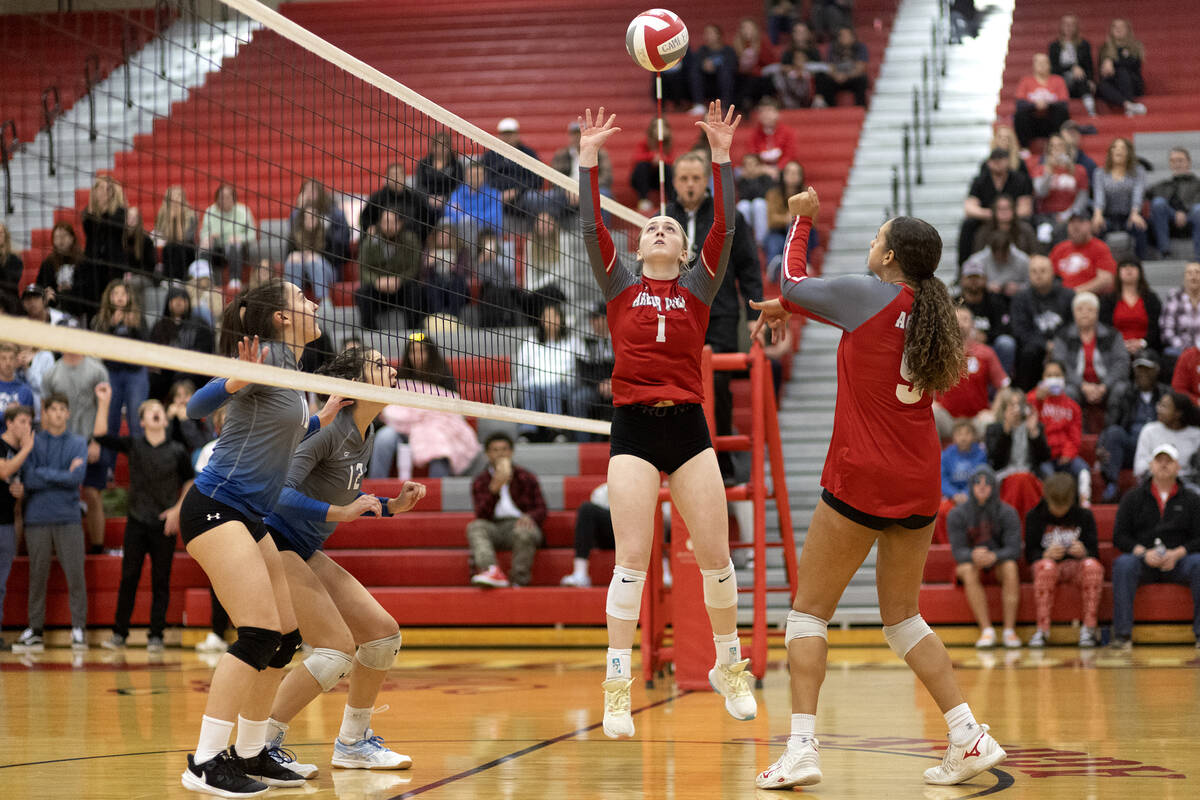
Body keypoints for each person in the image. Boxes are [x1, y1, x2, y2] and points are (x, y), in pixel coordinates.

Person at [750, 192, 1005, 788]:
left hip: (863, 474)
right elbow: (844, 320)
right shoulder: (928, 310)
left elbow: (791, 281)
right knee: (903, 620)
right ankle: (968, 735)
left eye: (874, 240)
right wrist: (799, 309)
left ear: (889, 255)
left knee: (808, 614)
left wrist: (802, 215)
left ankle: (802, 749)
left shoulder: (867, 294)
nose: (868, 247)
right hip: (918, 478)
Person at [579, 103, 761, 738]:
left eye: (668, 228)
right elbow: (589, 225)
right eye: (650, 226)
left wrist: (720, 155)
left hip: (687, 427)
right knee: (632, 556)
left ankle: (728, 665)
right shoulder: (619, 285)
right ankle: (617, 686)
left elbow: (727, 229)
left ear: (683, 249)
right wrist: (587, 161)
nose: (658, 228)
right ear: (638, 245)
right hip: (632, 426)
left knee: (715, 555)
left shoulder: (699, 288)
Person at [177, 279, 348, 797]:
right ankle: (205, 761)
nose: (314, 304)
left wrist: (325, 415)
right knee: (256, 633)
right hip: (216, 508)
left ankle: (250, 752)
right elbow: (194, 408)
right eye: (302, 300)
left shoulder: (294, 371)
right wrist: (233, 380)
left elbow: (284, 431)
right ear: (281, 318)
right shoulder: (264, 360)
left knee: (284, 639)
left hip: (250, 516)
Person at [260, 346, 426, 777]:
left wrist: (391, 507)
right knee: (335, 652)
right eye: (377, 365)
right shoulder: (329, 429)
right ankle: (261, 744)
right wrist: (340, 514)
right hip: (272, 541)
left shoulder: (365, 432)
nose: (390, 368)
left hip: (303, 547)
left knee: (381, 636)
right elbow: (280, 492)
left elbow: (342, 492)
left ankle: (353, 743)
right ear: (353, 386)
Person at [665, 149, 762, 482]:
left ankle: (722, 462)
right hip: (677, 314)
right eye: (683, 179)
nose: (690, 185)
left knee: (717, 382)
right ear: (674, 182)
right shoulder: (664, 218)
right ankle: (683, 459)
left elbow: (749, 264)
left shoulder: (727, 215)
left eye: (695, 178)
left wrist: (754, 311)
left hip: (719, 312)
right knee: (679, 385)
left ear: (706, 180)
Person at [94, 386, 193, 652]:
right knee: (129, 578)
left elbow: (191, 480)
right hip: (137, 521)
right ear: (142, 422)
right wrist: (104, 402)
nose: (156, 413)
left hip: (164, 524)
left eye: (159, 410)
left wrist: (177, 510)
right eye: (150, 411)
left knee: (161, 580)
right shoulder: (134, 444)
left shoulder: (177, 450)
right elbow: (100, 435)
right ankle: (119, 634)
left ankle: (157, 636)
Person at [11, 394, 89, 654]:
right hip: (37, 518)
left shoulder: (78, 442)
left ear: (68, 413)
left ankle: (78, 628)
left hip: (68, 517)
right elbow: (29, 478)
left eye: (62, 409)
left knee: (76, 575)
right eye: (52, 409)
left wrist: (56, 476)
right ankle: (35, 629)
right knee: (37, 576)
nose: (57, 413)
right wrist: (63, 475)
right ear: (44, 413)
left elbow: (76, 478)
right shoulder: (32, 442)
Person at [1110, 443, 1200, 650]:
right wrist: (1142, 552)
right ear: (1150, 465)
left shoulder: (1192, 500)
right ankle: (1123, 635)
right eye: (1159, 460)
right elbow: (1119, 536)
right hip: (1144, 560)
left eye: (1169, 461)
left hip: (1179, 561)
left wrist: (1178, 553)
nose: (1164, 465)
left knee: (1199, 563)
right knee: (1124, 564)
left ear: (1178, 467)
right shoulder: (1132, 498)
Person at [373, 336, 480, 480]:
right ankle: (376, 487)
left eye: (421, 351)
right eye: (413, 351)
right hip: (402, 425)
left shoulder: (443, 376)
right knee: (383, 438)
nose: (417, 356)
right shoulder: (400, 374)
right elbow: (392, 405)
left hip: (434, 426)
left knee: (440, 446)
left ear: (430, 353)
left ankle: (434, 488)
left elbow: (452, 407)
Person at [1023, 472, 1103, 648]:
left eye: (1063, 506)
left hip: (1077, 567)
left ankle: (1089, 628)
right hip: (1048, 568)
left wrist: (1084, 552)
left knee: (1093, 567)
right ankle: (1042, 629)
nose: (1059, 510)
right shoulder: (1034, 516)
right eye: (1055, 505)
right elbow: (1029, 554)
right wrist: (1045, 554)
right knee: (1046, 567)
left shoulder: (1084, 516)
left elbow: (1095, 553)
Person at [948, 467, 1024, 649]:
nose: (982, 487)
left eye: (987, 484)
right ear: (970, 486)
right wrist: (973, 555)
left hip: (998, 563)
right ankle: (986, 630)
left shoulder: (1008, 512)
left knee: (1010, 566)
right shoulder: (957, 514)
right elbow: (958, 552)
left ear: (994, 487)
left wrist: (994, 556)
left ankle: (1009, 630)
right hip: (971, 564)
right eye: (977, 483)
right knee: (967, 569)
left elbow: (1014, 549)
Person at [41, 350, 108, 553]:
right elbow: (46, 409)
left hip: (89, 438)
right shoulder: (51, 372)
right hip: (62, 440)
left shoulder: (97, 369)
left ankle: (97, 546)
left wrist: (97, 441)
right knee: (58, 491)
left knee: (92, 493)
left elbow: (104, 406)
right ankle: (55, 545)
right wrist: (48, 442)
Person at [467, 432, 547, 589]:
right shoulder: (481, 480)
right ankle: (490, 570)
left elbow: (541, 509)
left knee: (524, 531)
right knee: (475, 527)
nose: (500, 453)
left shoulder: (526, 476)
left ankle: (519, 581)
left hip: (520, 524)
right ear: (487, 454)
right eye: (495, 450)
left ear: (511, 452)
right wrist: (494, 490)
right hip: (495, 526)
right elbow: (481, 514)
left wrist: (529, 517)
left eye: (504, 449)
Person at [1097, 351, 1172, 502]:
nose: (1142, 373)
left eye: (1147, 369)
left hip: (1158, 448)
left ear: (1157, 370)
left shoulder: (1166, 394)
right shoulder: (1122, 392)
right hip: (1131, 447)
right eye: (1139, 369)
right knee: (1114, 433)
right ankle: (1112, 485)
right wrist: (1100, 446)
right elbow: (1109, 425)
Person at [1052, 291, 1131, 428]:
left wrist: (1104, 386)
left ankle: (1111, 430)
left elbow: (1122, 363)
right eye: (1080, 309)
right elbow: (1060, 365)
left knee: (1121, 389)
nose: (1084, 313)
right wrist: (1083, 385)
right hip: (1078, 386)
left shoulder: (1112, 335)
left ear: (1097, 312)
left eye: (1090, 309)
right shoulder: (1063, 336)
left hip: (1106, 386)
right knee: (1067, 391)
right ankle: (1077, 432)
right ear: (1073, 312)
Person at [932, 306, 1009, 439]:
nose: (960, 323)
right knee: (930, 412)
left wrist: (993, 411)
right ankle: (934, 459)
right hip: (947, 419)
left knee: (990, 421)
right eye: (956, 319)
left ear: (972, 325)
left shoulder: (986, 353)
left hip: (976, 421)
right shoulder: (938, 352)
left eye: (965, 319)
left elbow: (1004, 387)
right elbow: (925, 382)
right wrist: (932, 402)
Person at [92, 280, 150, 441]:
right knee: (110, 422)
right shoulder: (101, 319)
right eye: (115, 294)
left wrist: (133, 328)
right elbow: (98, 348)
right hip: (110, 374)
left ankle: (138, 463)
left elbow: (147, 345)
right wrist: (112, 326)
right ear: (109, 297)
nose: (119, 297)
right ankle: (107, 465)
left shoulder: (138, 318)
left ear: (129, 296)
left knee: (136, 421)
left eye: (123, 294)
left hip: (135, 373)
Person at [513, 303, 580, 443]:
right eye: (546, 316)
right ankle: (527, 432)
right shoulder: (530, 343)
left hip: (563, 386)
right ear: (541, 321)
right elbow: (521, 372)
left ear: (560, 319)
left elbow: (576, 371)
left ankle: (555, 430)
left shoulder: (572, 342)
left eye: (554, 316)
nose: (550, 320)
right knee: (532, 388)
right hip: (534, 386)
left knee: (552, 387)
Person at [1027, 360, 1092, 504]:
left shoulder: (1073, 407)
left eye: (1057, 375)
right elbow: (1027, 415)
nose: (1053, 378)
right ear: (1043, 379)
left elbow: (1075, 435)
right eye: (1049, 375)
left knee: (1084, 471)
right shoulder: (1036, 399)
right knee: (1050, 477)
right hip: (1044, 457)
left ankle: (1084, 502)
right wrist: (1037, 398)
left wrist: (1068, 453)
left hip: (1066, 456)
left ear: (1063, 378)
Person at [959, 149, 1033, 267]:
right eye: (994, 160)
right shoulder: (980, 181)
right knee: (968, 225)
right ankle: (964, 269)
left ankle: (1033, 263)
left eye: (1001, 160)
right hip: (988, 219)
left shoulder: (1020, 179)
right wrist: (994, 214)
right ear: (988, 163)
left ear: (1008, 161)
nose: (998, 164)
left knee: (1029, 223)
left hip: (1014, 219)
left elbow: (1026, 208)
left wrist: (1008, 214)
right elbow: (969, 208)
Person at [0, 404, 34, 652]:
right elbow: (4, 470)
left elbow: (14, 484)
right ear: (9, 423)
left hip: (7, 522)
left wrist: (20, 493)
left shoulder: (20, 451)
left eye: (29, 422)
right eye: (21, 421)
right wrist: (28, 449)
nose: (26, 426)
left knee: (1, 583)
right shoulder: (4, 446)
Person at [354, 208, 423, 331]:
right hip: (378, 290)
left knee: (416, 291)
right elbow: (363, 268)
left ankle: (415, 331)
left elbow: (415, 268)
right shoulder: (370, 240)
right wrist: (377, 281)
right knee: (362, 293)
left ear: (401, 223)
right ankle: (369, 333)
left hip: (401, 289)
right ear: (380, 222)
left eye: (392, 222)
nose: (389, 226)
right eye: (385, 222)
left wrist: (399, 280)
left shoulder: (411, 240)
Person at [149, 287, 216, 400]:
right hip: (167, 372)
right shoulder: (159, 327)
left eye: (182, 299)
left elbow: (205, 352)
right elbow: (154, 354)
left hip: (194, 371)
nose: (178, 302)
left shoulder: (200, 324)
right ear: (168, 303)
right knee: (154, 378)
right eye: (175, 299)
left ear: (188, 302)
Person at [956, 257, 1018, 371]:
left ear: (985, 279)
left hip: (992, 346)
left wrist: (986, 336)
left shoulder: (996, 301)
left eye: (977, 277)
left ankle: (1000, 384)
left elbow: (1006, 328)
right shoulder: (954, 303)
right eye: (970, 277)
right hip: (962, 347)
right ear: (962, 280)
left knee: (1006, 343)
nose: (974, 281)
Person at [80, 175, 128, 321]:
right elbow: (90, 231)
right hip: (93, 265)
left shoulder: (119, 212)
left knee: (111, 300)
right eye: (100, 188)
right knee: (92, 301)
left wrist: (104, 208)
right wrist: (95, 208)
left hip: (113, 266)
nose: (103, 191)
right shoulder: (88, 214)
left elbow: (113, 229)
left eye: (107, 188)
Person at [1091, 137, 1148, 259]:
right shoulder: (1099, 173)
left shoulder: (1139, 171)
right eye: (1115, 147)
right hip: (1108, 215)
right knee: (1097, 226)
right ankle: (1098, 262)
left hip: (1130, 214)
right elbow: (1099, 196)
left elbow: (1138, 194)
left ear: (1129, 153)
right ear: (1110, 152)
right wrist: (1097, 215)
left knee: (1139, 226)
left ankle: (1141, 262)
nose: (1119, 150)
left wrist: (1135, 213)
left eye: (1123, 148)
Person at [1031, 133, 1091, 247]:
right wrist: (1048, 172)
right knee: (1046, 233)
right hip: (1046, 215)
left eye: (1060, 146)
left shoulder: (1079, 170)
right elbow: (1040, 193)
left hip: (1071, 215)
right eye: (1053, 147)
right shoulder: (1040, 170)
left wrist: (1067, 214)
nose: (1056, 150)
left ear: (1067, 149)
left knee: (1064, 230)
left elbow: (1082, 198)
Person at [1131, 391, 1200, 484]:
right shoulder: (1149, 430)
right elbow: (1139, 468)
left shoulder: (1196, 435)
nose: (1158, 409)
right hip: (1153, 482)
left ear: (1178, 413)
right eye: (1159, 405)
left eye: (1164, 406)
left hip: (1185, 485)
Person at [359, 162, 435, 244]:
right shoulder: (377, 197)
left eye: (399, 175)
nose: (396, 178)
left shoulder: (415, 198)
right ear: (387, 178)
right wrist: (370, 227)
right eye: (392, 175)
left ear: (405, 177)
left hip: (408, 240)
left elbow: (425, 221)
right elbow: (365, 219)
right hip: (382, 236)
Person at [765, 161, 817, 277]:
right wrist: (790, 218)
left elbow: (813, 220)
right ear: (783, 175)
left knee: (809, 232)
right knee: (773, 238)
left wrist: (794, 219)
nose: (792, 176)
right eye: (789, 172)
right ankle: (774, 265)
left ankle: (803, 264)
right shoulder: (773, 194)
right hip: (779, 231)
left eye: (796, 173)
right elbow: (772, 220)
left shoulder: (807, 194)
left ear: (801, 176)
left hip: (800, 230)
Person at [1099, 258, 1162, 355]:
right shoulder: (1108, 300)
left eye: (1132, 266)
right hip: (1115, 348)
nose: (1128, 269)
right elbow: (1105, 327)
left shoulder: (1151, 299)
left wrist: (1142, 343)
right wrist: (1121, 345)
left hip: (1147, 348)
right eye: (1124, 267)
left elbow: (1156, 327)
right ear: (1118, 272)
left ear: (1140, 272)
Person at [482, 118, 542, 218]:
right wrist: (496, 194)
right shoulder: (490, 156)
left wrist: (517, 191)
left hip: (523, 196)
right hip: (495, 196)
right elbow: (484, 178)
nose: (507, 137)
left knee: (535, 199)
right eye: (504, 134)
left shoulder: (528, 154)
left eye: (510, 134)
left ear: (517, 135)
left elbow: (537, 178)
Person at [985, 388, 1051, 478]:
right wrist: (1006, 431)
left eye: (1019, 404)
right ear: (1005, 408)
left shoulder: (1035, 426)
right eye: (1012, 405)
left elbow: (1044, 457)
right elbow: (995, 459)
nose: (1016, 409)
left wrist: (1033, 432)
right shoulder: (993, 429)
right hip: (1005, 473)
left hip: (1029, 473)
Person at [200, 183, 257, 286]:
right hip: (217, 249)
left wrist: (240, 238)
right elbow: (203, 233)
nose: (224, 200)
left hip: (238, 249)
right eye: (221, 197)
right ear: (217, 199)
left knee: (234, 246)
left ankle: (235, 280)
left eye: (227, 197)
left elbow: (252, 234)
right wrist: (208, 237)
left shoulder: (244, 211)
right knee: (204, 248)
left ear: (234, 198)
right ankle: (205, 280)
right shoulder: (210, 211)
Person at [1148, 149, 1200, 261]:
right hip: (1168, 221)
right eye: (1173, 161)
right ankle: (1165, 252)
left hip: (1193, 218)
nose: (1177, 164)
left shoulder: (1198, 183)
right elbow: (1142, 193)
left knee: (1198, 210)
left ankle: (1198, 257)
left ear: (1188, 163)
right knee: (1158, 203)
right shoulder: (1163, 185)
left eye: (1180, 160)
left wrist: (1184, 213)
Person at [571, 301, 616, 429]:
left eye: (598, 317)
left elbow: (627, 366)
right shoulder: (585, 342)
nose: (595, 322)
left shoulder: (619, 339)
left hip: (619, 385)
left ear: (607, 318)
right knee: (578, 399)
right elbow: (584, 371)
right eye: (592, 318)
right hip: (594, 386)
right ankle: (582, 441)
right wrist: (599, 384)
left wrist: (614, 383)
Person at [1049, 212, 1116, 294]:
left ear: (1090, 225)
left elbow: (1106, 279)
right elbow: (1048, 274)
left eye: (1081, 221)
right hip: (1062, 297)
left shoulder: (1100, 248)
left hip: (1089, 296)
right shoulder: (1060, 248)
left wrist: (1076, 292)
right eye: (1072, 222)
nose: (1075, 226)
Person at [1013, 54, 1071, 148]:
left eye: (1044, 62)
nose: (1042, 65)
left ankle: (1058, 145)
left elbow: (1064, 104)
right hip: (1032, 123)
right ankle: (1024, 148)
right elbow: (1019, 103)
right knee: (1020, 114)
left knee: (1061, 112)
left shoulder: (1058, 80)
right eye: (1039, 62)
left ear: (1049, 65)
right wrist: (1035, 105)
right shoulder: (1025, 81)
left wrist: (1047, 104)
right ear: (1033, 65)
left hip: (1051, 123)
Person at [288, 179, 349, 266]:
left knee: (314, 264)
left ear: (320, 193)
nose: (308, 194)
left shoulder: (334, 213)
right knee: (292, 263)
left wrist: (322, 225)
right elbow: (292, 238)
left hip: (329, 261)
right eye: (305, 191)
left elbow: (341, 243)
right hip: (303, 260)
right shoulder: (298, 214)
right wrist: (299, 210)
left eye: (312, 191)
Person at [1048, 14, 1097, 117]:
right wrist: (1072, 67)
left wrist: (1091, 80)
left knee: (1080, 76)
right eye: (1066, 24)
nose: (1069, 27)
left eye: (1071, 24)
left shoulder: (1084, 44)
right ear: (1061, 26)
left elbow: (1089, 65)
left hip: (1079, 81)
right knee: (1071, 76)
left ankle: (1090, 109)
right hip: (1061, 81)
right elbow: (1053, 69)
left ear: (1076, 27)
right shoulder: (1054, 46)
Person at [36, 222, 87, 320]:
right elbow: (40, 286)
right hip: (54, 308)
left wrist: (70, 291)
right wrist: (47, 293)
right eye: (57, 237)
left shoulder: (83, 261)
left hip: (78, 308)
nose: (60, 240)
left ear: (72, 238)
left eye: (64, 236)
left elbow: (87, 287)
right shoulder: (48, 263)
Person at [1096, 18, 1146, 117]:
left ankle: (1129, 101)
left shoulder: (1135, 46)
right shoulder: (1105, 48)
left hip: (1132, 83)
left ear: (1128, 30)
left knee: (1122, 71)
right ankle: (1128, 105)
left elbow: (1134, 65)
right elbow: (1103, 72)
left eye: (1121, 27)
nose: (1118, 29)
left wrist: (1111, 61)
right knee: (1101, 86)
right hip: (1114, 84)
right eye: (1115, 27)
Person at [961, 231, 1030, 302]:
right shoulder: (977, 260)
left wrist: (1019, 287)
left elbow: (1031, 283)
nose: (1000, 258)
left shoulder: (1023, 260)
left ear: (1008, 250)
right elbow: (966, 280)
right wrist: (986, 285)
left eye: (1003, 255)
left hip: (1016, 297)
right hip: (989, 298)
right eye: (997, 255)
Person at [442, 161, 504, 238]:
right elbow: (449, 211)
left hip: (486, 233)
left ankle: (469, 250)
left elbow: (493, 216)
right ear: (466, 176)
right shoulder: (458, 192)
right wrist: (465, 217)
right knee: (444, 222)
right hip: (460, 228)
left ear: (485, 176)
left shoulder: (493, 194)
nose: (475, 178)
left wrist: (468, 215)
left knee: (468, 221)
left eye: (479, 175)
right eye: (472, 175)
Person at [813, 26, 869, 108]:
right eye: (841, 36)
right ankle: (830, 108)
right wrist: (836, 75)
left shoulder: (860, 47)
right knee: (822, 77)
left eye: (846, 36)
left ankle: (861, 108)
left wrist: (846, 76)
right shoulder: (833, 48)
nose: (843, 38)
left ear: (853, 37)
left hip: (852, 78)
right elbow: (830, 66)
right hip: (836, 77)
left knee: (862, 79)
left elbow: (860, 67)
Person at [416, 131, 465, 220]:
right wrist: (428, 198)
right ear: (433, 147)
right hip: (426, 203)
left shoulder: (456, 165)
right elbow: (419, 186)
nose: (441, 148)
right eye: (438, 145)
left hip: (448, 201)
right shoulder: (423, 164)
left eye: (444, 145)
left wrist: (445, 198)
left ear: (449, 147)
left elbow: (459, 186)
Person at [688, 25, 738, 112]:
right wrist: (703, 66)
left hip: (724, 83)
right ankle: (698, 104)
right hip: (707, 83)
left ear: (718, 35)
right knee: (695, 71)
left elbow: (733, 65)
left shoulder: (728, 50)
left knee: (725, 72)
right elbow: (696, 63)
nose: (708, 36)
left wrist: (715, 66)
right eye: (706, 33)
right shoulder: (702, 50)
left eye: (711, 33)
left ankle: (725, 105)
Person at [971, 194, 1037, 260]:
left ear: (1013, 210)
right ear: (994, 211)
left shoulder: (1025, 229)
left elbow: (1035, 254)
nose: (1004, 212)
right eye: (1000, 209)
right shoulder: (984, 232)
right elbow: (977, 257)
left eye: (1007, 208)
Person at [154, 186, 198, 283]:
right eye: (172, 197)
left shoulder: (192, 215)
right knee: (168, 248)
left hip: (187, 249)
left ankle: (178, 280)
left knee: (178, 248)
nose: (175, 200)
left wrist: (177, 218)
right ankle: (168, 280)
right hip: (168, 249)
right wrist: (170, 219)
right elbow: (162, 236)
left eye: (178, 196)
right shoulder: (162, 214)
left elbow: (184, 238)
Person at [630, 118, 675, 214]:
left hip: (660, 178)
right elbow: (637, 158)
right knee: (642, 166)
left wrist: (662, 158)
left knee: (667, 168)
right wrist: (652, 157)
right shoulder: (644, 142)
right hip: (644, 178)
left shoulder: (668, 143)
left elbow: (673, 161)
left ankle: (672, 201)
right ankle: (644, 199)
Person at [747, 98, 798, 181]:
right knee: (741, 172)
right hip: (761, 170)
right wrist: (764, 169)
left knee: (792, 169)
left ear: (777, 113)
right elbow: (752, 155)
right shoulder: (754, 135)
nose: (766, 114)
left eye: (769, 111)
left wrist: (777, 169)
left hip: (782, 169)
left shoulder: (787, 132)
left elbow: (790, 155)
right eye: (762, 111)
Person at [733, 17, 778, 108]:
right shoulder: (736, 45)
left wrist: (757, 52)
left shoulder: (762, 43)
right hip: (743, 78)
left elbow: (771, 62)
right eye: (744, 28)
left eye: (750, 28)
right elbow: (734, 66)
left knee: (759, 79)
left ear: (755, 30)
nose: (747, 31)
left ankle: (751, 101)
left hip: (760, 79)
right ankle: (745, 102)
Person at [773, 21, 818, 109]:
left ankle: (817, 100)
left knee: (821, 76)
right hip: (791, 85)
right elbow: (782, 67)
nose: (799, 34)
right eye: (797, 32)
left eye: (802, 32)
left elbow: (821, 67)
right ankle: (787, 103)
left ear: (808, 34)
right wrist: (793, 70)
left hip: (809, 85)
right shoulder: (788, 52)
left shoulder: (814, 51)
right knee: (778, 77)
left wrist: (805, 71)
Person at [1161, 262, 1200, 363]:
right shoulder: (1174, 296)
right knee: (1170, 354)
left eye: (1197, 272)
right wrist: (1184, 348)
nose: (1194, 277)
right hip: (1179, 350)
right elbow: (1166, 329)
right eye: (1189, 273)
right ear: (1184, 277)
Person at [942, 422, 987, 504]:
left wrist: (966, 493)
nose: (963, 438)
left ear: (974, 436)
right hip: (951, 496)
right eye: (959, 434)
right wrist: (954, 494)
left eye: (967, 433)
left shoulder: (981, 454)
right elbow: (942, 479)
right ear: (953, 437)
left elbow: (980, 478)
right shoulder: (946, 455)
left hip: (974, 495)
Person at [0, 342, 35, 434]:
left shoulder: (25, 391)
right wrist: (9, 413)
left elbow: (28, 424)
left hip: (16, 445)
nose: (8, 363)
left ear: (16, 361)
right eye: (3, 358)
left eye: (11, 358)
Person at [121, 207, 157, 285]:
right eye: (129, 217)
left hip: (143, 277)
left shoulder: (146, 240)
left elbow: (150, 267)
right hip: (124, 275)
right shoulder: (120, 238)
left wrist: (133, 274)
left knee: (131, 283)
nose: (131, 220)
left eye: (134, 218)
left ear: (139, 221)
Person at [0, 222, 23, 302]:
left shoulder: (14, 259)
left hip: (9, 300)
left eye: (0, 233)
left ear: (5, 236)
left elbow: (11, 282)